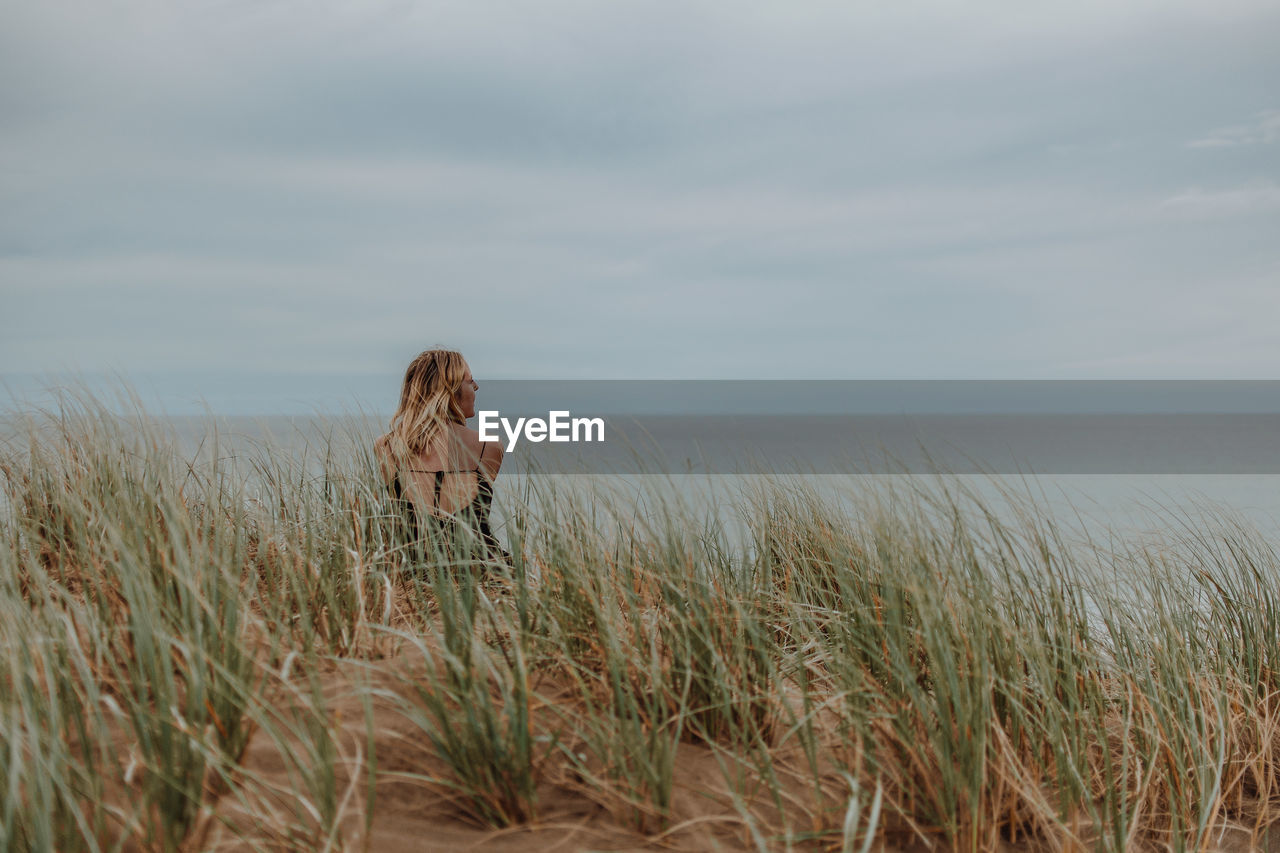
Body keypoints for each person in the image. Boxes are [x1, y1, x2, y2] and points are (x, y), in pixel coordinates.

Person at [374, 349, 507, 568]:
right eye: (470, 381)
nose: (476, 388)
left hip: (411, 573)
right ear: (450, 392)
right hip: (481, 574)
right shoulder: (489, 447)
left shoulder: (386, 447)